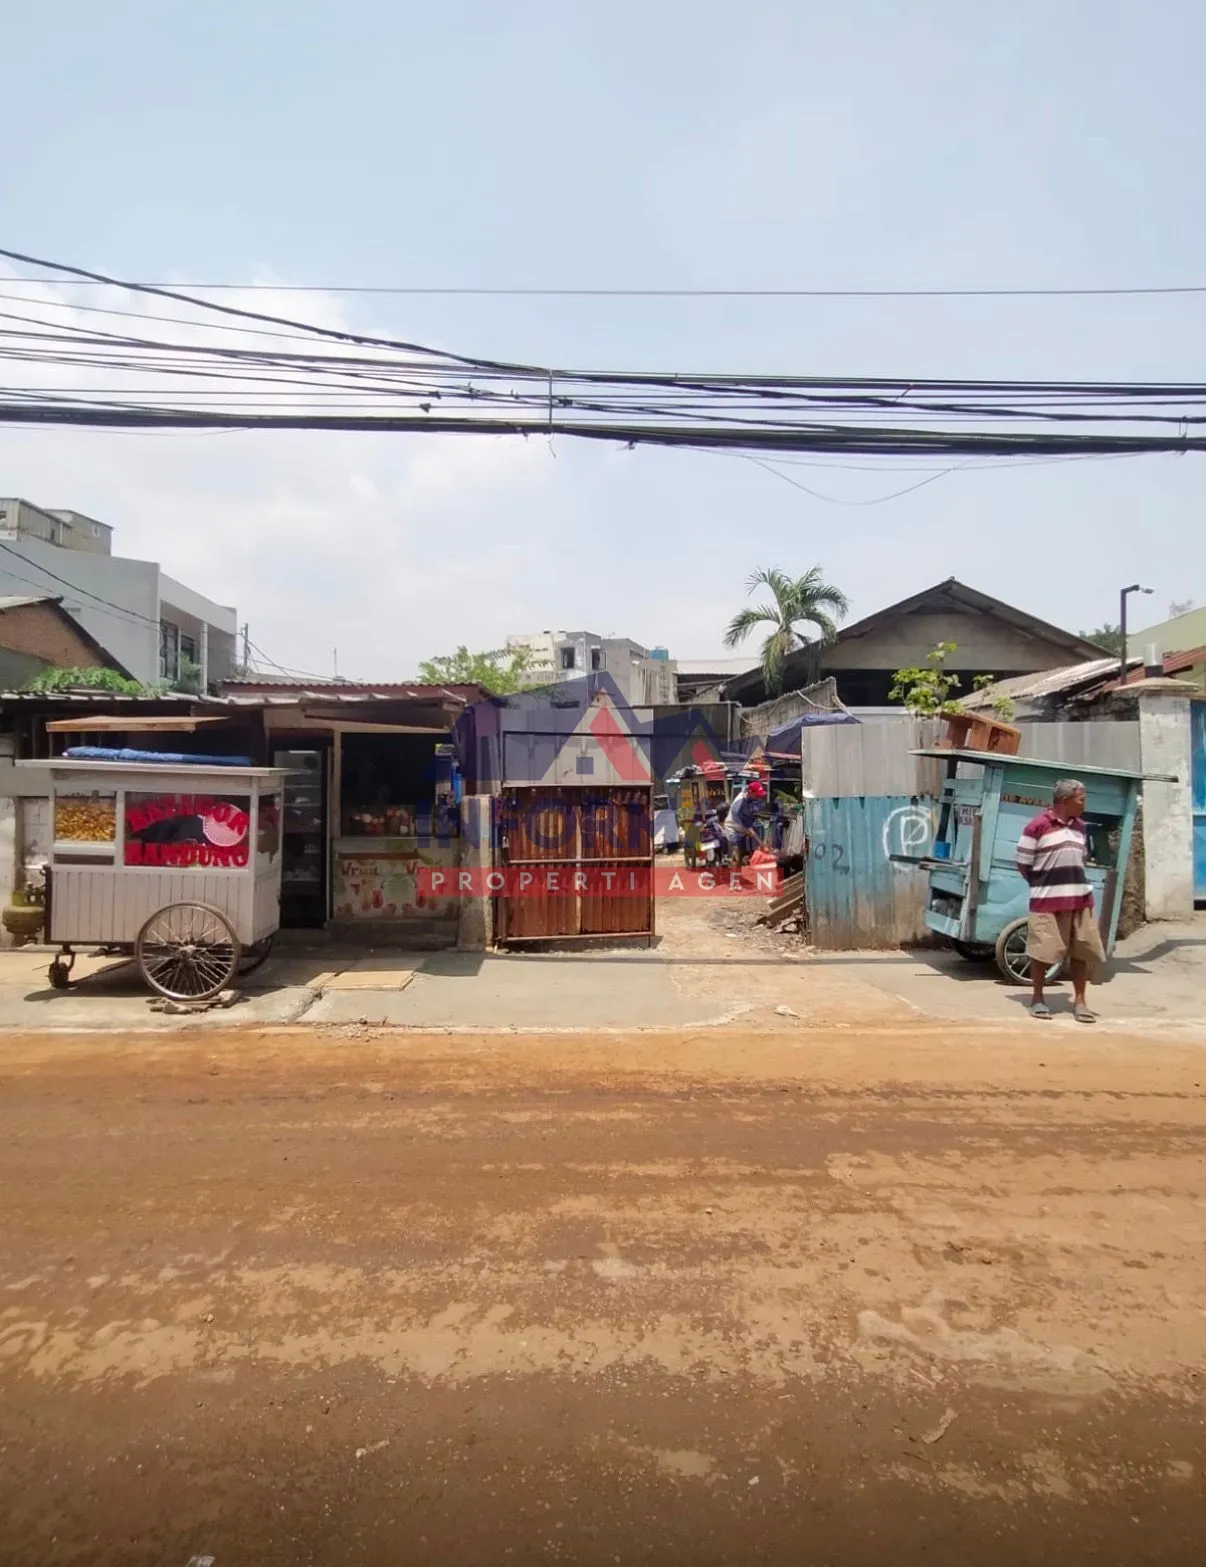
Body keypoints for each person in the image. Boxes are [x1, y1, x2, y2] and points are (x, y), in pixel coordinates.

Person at [1015, 778, 1105, 1022]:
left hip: (1079, 900)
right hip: (1047, 901)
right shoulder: (1037, 826)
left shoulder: (1080, 828)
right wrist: (1042, 885)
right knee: (1042, 952)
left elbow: (1081, 860)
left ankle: (1080, 1001)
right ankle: (1037, 998)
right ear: (1065, 801)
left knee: (1081, 952)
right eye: (1080, 800)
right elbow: (1023, 864)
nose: (1083, 805)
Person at [724, 778, 767, 866]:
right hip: (733, 830)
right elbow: (750, 830)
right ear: (750, 792)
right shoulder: (741, 806)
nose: (758, 797)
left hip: (741, 829)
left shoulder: (746, 795)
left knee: (748, 851)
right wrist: (762, 844)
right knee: (738, 855)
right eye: (757, 795)